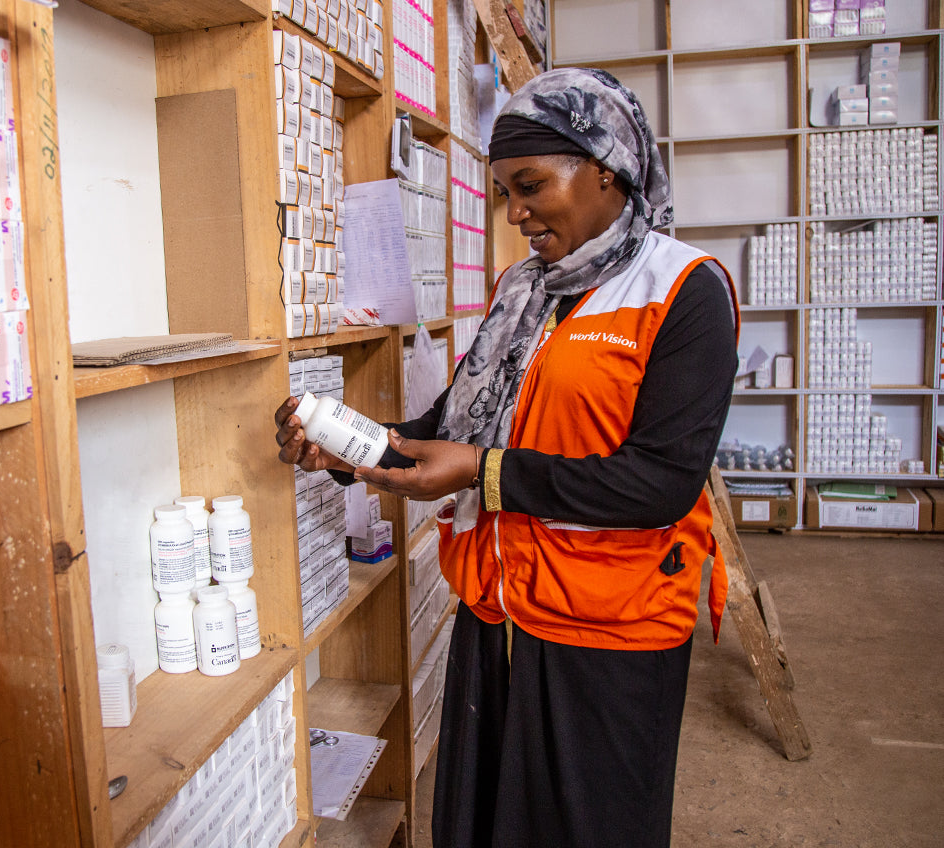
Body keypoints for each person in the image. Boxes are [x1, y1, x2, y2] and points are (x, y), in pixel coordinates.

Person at [274, 67, 739, 848]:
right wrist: (351, 450)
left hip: (607, 635)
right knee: (490, 825)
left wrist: (483, 473)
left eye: (531, 185)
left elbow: (659, 483)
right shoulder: (522, 291)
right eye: (504, 192)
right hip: (497, 611)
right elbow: (447, 427)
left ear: (606, 168)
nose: (516, 212)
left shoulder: (685, 291)